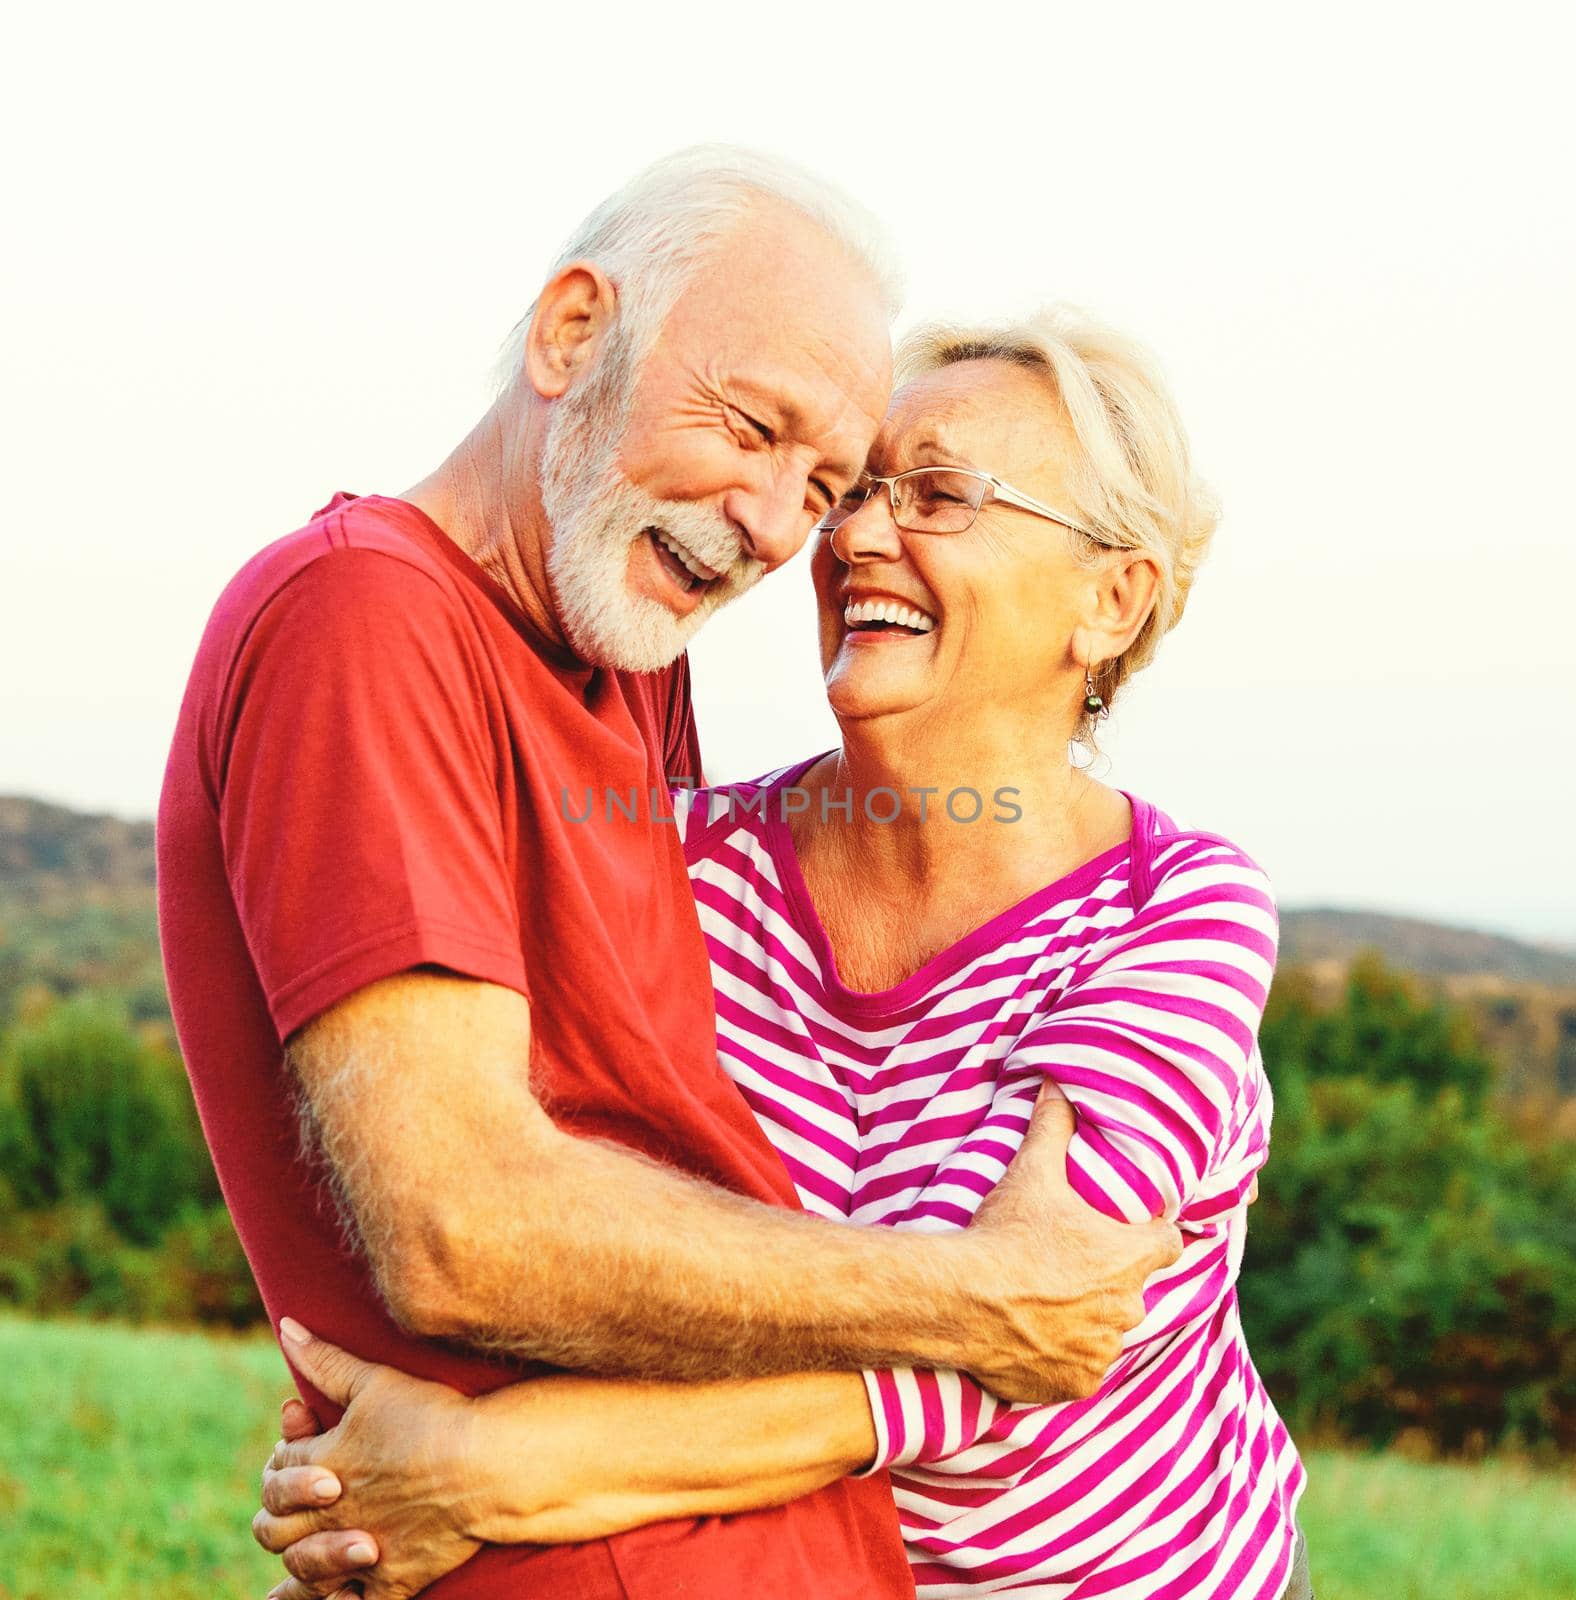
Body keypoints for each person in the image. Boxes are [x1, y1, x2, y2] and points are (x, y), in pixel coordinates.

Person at [157, 148, 1180, 1600]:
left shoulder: (618, 652)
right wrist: (968, 1298)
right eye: (751, 427)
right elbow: (468, 1231)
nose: (777, 526)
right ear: (572, 333)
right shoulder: (364, 616)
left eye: (820, 481)